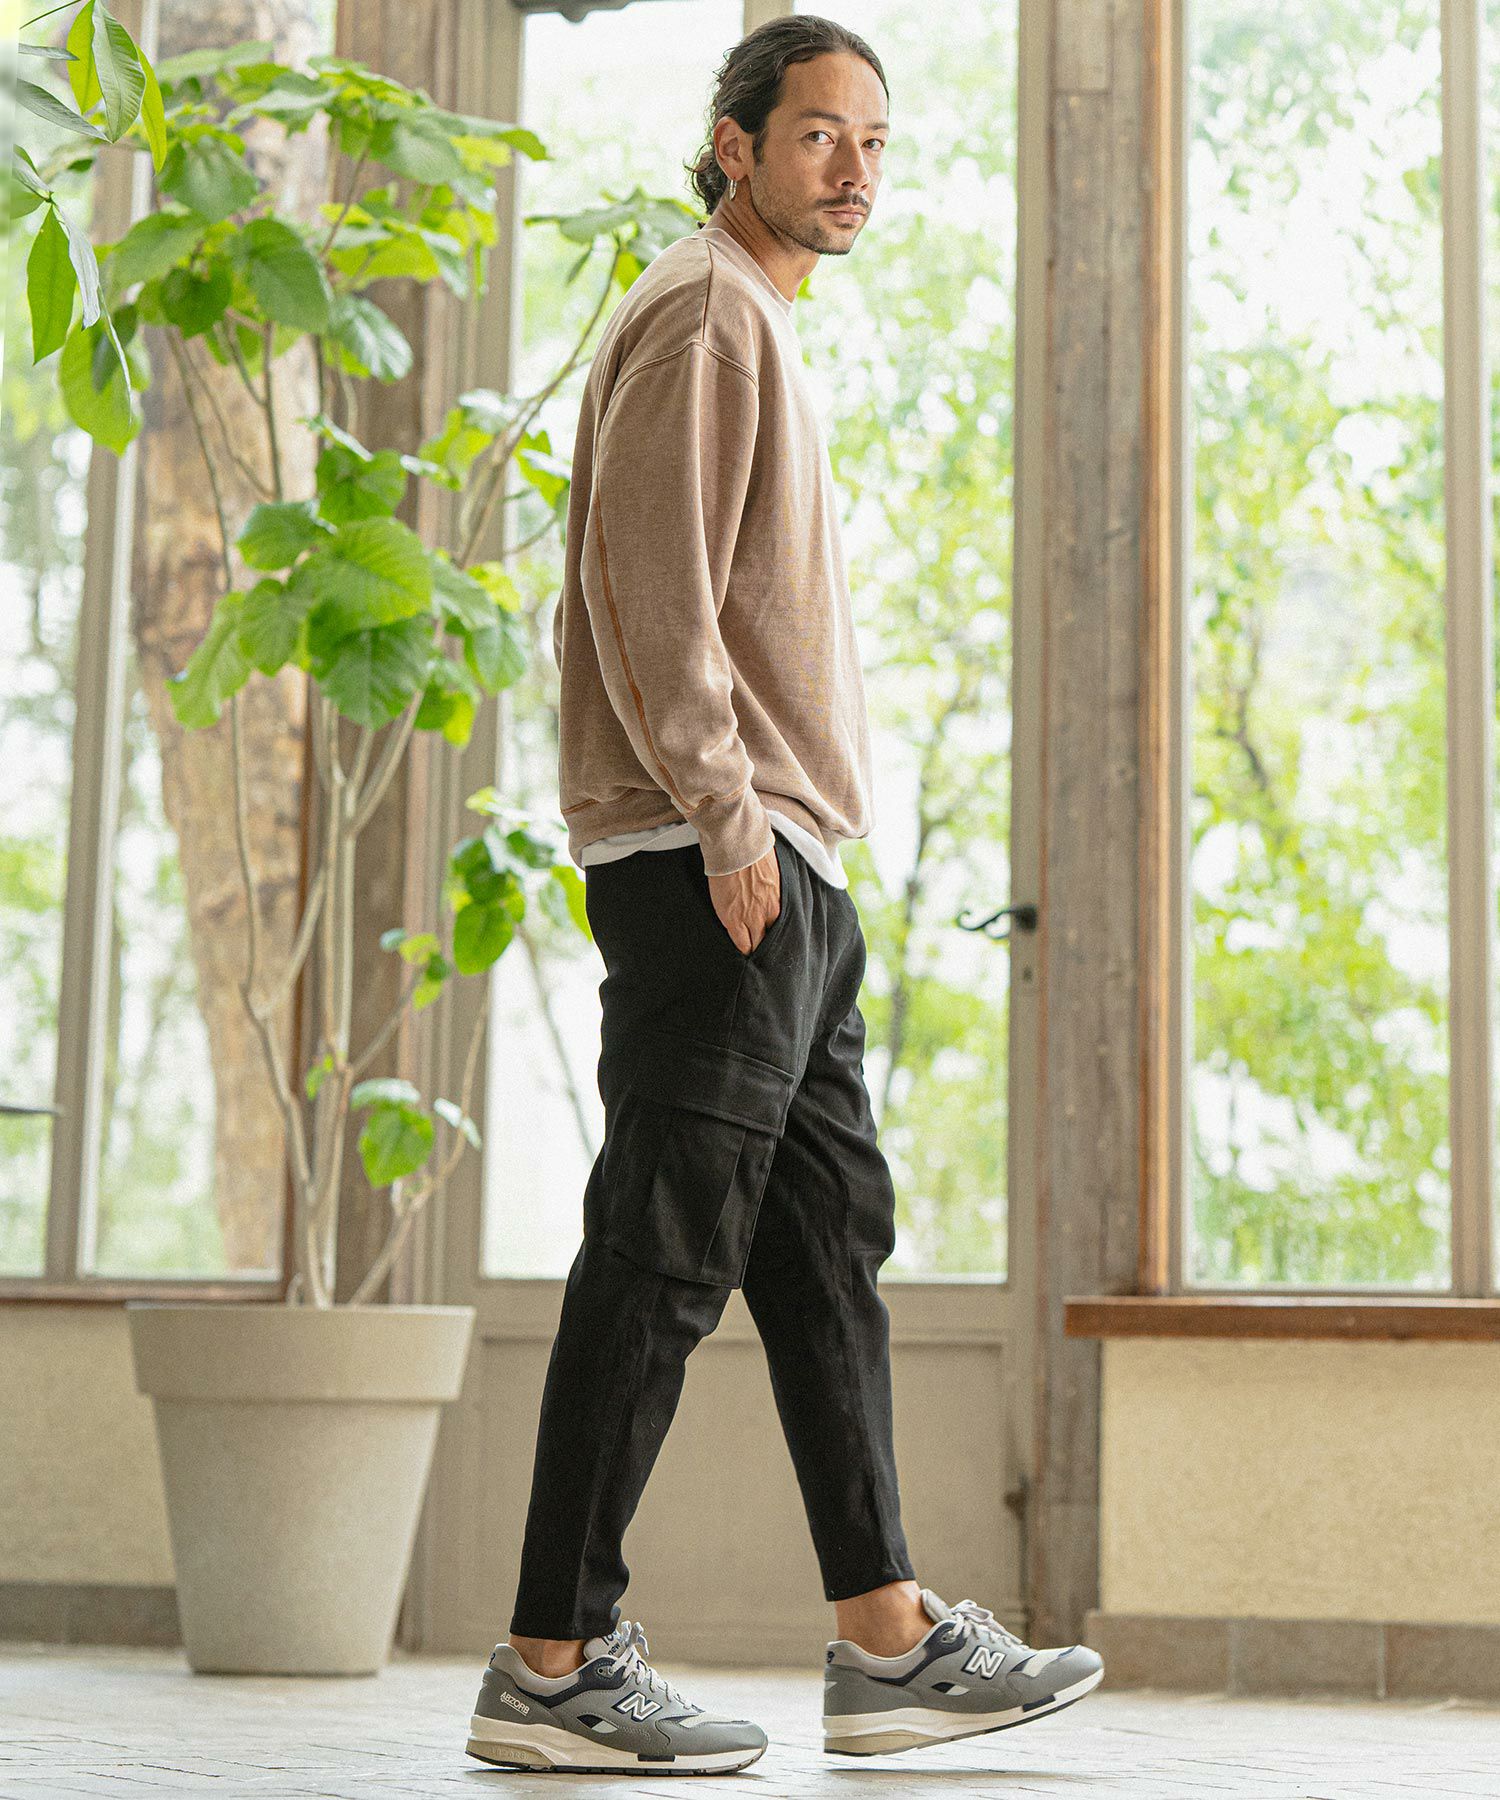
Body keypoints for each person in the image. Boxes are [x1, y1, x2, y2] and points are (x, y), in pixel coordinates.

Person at [465, 13, 1103, 1776]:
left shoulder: (754, 318)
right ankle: (551, 1662)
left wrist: (778, 838)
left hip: (783, 865)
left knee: (826, 1251)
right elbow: (648, 586)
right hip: (716, 862)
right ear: (735, 142)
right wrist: (726, 813)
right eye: (820, 134)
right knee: (662, 1252)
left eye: (875, 142)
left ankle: (887, 1643)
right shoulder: (704, 309)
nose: (855, 170)